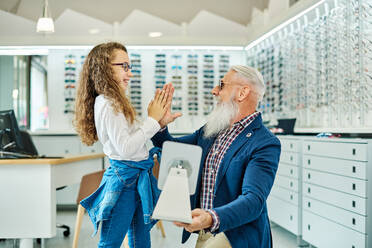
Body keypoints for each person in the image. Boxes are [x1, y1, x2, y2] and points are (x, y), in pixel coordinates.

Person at [152, 65, 281, 248]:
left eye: (221, 85)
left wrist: (211, 218)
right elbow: (172, 149)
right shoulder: (212, 130)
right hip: (206, 231)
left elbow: (253, 200)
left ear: (242, 93)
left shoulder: (264, 143)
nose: (214, 91)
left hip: (235, 235)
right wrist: (160, 126)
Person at [74, 42, 172, 248]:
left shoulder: (114, 101)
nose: (130, 74)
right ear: (104, 68)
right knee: (111, 243)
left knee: (141, 239)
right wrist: (152, 121)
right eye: (124, 66)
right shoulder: (108, 103)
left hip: (135, 179)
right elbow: (126, 149)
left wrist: (158, 123)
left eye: (130, 67)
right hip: (123, 182)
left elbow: (131, 141)